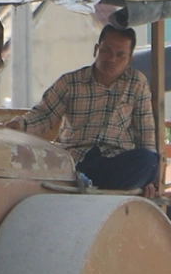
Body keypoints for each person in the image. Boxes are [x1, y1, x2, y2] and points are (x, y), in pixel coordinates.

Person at [14, 24, 160, 193]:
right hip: (75, 161)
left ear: (129, 59)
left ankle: (95, 190)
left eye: (120, 55)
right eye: (106, 51)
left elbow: (145, 133)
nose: (111, 59)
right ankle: (84, 184)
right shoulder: (71, 82)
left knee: (148, 160)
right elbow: (44, 115)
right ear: (96, 50)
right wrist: (20, 125)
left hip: (115, 161)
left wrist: (149, 179)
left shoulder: (137, 83)